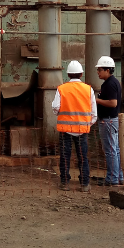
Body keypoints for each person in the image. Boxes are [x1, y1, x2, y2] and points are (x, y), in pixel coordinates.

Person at [52, 60, 97, 192]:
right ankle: (84, 184)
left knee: (65, 156)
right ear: (81, 74)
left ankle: (65, 183)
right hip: (82, 130)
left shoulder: (62, 88)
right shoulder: (88, 89)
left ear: (68, 75)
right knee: (83, 156)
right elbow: (94, 113)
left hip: (65, 129)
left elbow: (55, 107)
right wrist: (87, 124)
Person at [95, 56, 123, 186]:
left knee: (110, 150)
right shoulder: (113, 82)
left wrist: (96, 100)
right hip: (112, 120)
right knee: (115, 149)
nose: (98, 72)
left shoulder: (109, 84)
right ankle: (119, 176)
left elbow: (113, 103)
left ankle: (112, 178)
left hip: (108, 120)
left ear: (107, 70)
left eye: (100, 70)